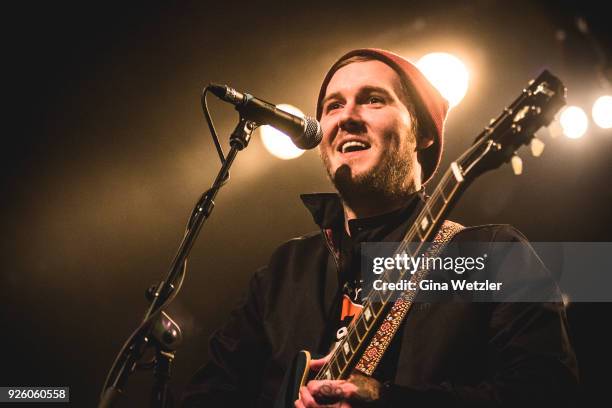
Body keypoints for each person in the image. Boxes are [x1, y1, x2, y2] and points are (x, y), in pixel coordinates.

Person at [181, 49, 578, 407]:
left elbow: (546, 393)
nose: (348, 117)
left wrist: (387, 400)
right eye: (333, 106)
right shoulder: (283, 273)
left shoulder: (489, 255)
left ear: (423, 133)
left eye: (373, 100)